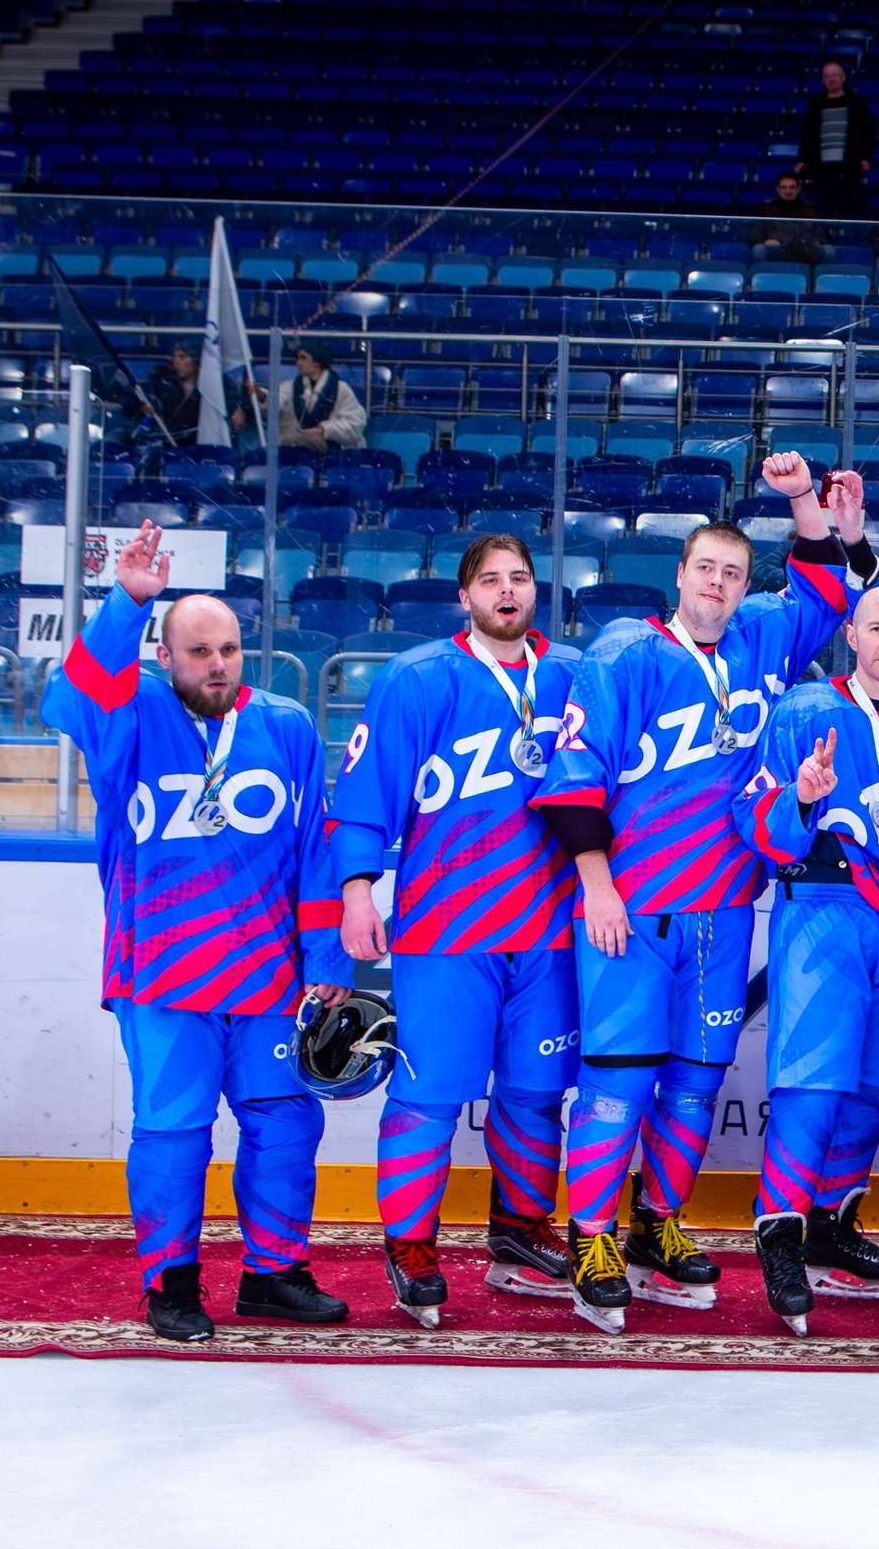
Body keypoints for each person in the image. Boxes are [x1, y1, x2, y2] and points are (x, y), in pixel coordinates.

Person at [532, 460, 879, 1333]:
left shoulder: (762, 638)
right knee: (618, 1083)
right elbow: (576, 777)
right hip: (634, 909)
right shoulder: (626, 653)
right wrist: (597, 886)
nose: (719, 586)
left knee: (694, 1084)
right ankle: (591, 1237)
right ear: (679, 576)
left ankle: (657, 1224)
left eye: (733, 573)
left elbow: (825, 586)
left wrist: (802, 500)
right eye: (706, 571)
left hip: (723, 911)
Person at [46, 522, 352, 1342]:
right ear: (166, 657)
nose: (217, 665)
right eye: (199, 653)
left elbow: (313, 850)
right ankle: (171, 1286)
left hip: (268, 975)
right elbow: (73, 693)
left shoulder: (286, 724)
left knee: (286, 1123)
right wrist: (127, 601)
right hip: (162, 973)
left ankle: (274, 1274)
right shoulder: (129, 712)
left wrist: (324, 955)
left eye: (229, 650)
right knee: (174, 1132)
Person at [330, 534, 583, 1329]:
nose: (508, 591)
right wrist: (357, 892)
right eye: (491, 580)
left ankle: (519, 1228)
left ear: (536, 591)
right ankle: (410, 1245)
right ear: (464, 597)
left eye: (520, 578)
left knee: (538, 1093)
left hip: (549, 929)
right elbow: (365, 794)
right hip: (447, 931)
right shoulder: (416, 678)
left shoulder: (574, 676)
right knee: (429, 1095)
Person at [732, 586, 879, 1333]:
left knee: (874, 1085)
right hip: (826, 911)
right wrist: (803, 801)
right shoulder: (804, 710)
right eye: (877, 628)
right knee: (812, 1083)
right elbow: (758, 828)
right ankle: (780, 1233)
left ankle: (831, 1220)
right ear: (852, 632)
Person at [795, 59, 878, 218]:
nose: (831, 79)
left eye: (835, 75)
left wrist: (867, 158)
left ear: (843, 77)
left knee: (851, 208)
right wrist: (802, 160)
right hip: (822, 167)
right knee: (823, 209)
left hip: (850, 166)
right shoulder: (815, 103)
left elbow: (868, 132)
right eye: (828, 76)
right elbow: (806, 134)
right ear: (823, 79)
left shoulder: (856, 101)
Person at [275, 340, 366, 452]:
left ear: (317, 362)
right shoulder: (289, 387)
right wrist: (261, 396)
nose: (298, 363)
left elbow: (355, 424)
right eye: (297, 358)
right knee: (292, 441)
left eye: (303, 358)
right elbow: (276, 402)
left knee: (296, 440)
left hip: (333, 444)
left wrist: (323, 430)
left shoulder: (341, 389)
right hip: (299, 442)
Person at [749, 172, 824, 266]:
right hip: (777, 248)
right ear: (778, 189)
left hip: (805, 249)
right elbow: (754, 232)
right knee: (759, 249)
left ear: (798, 188)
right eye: (784, 187)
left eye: (792, 187)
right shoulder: (766, 208)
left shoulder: (809, 209)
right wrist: (765, 241)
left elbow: (821, 233)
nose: (788, 191)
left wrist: (814, 242)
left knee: (829, 250)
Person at [143, 343, 203, 445]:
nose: (176, 362)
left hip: (196, 444)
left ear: (197, 360)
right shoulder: (161, 384)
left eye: (182, 357)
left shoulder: (210, 388)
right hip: (165, 442)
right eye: (174, 357)